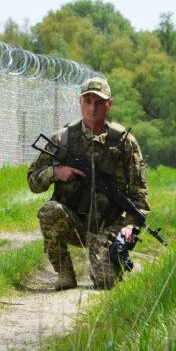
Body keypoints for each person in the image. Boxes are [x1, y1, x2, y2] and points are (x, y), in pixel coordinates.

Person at [27, 77, 149, 290]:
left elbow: (139, 199)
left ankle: (112, 264)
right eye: (88, 100)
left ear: (109, 104)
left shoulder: (124, 144)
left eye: (99, 102)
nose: (93, 107)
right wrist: (55, 172)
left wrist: (128, 229)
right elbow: (33, 182)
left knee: (105, 282)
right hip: (72, 222)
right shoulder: (62, 139)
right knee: (49, 211)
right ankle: (65, 272)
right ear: (80, 101)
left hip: (107, 227)